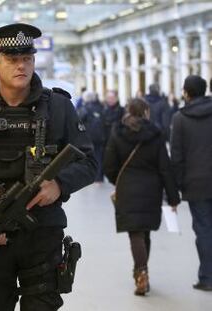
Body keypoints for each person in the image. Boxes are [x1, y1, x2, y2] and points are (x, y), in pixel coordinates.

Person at [0, 23, 97, 311]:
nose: (21, 66)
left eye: (27, 59)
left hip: (43, 233)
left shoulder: (59, 107)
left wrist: (59, 185)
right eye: (12, 59)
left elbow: (90, 162)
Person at [103, 98, 180, 296]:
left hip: (127, 188)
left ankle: (141, 272)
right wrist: (173, 197)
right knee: (145, 231)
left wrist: (118, 181)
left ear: (128, 111)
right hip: (151, 189)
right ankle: (142, 271)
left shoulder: (117, 132)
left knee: (135, 233)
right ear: (146, 112)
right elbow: (165, 167)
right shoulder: (155, 134)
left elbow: (109, 165)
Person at [170, 75, 212, 291]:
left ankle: (207, 277)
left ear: (186, 92)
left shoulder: (180, 118)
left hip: (196, 184)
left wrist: (174, 189)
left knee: (204, 229)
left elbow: (177, 157)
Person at [78, 91, 106, 183]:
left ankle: (89, 177)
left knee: (87, 157)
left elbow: (78, 121)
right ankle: (99, 177)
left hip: (88, 137)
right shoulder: (101, 107)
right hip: (100, 137)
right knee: (99, 156)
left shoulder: (84, 108)